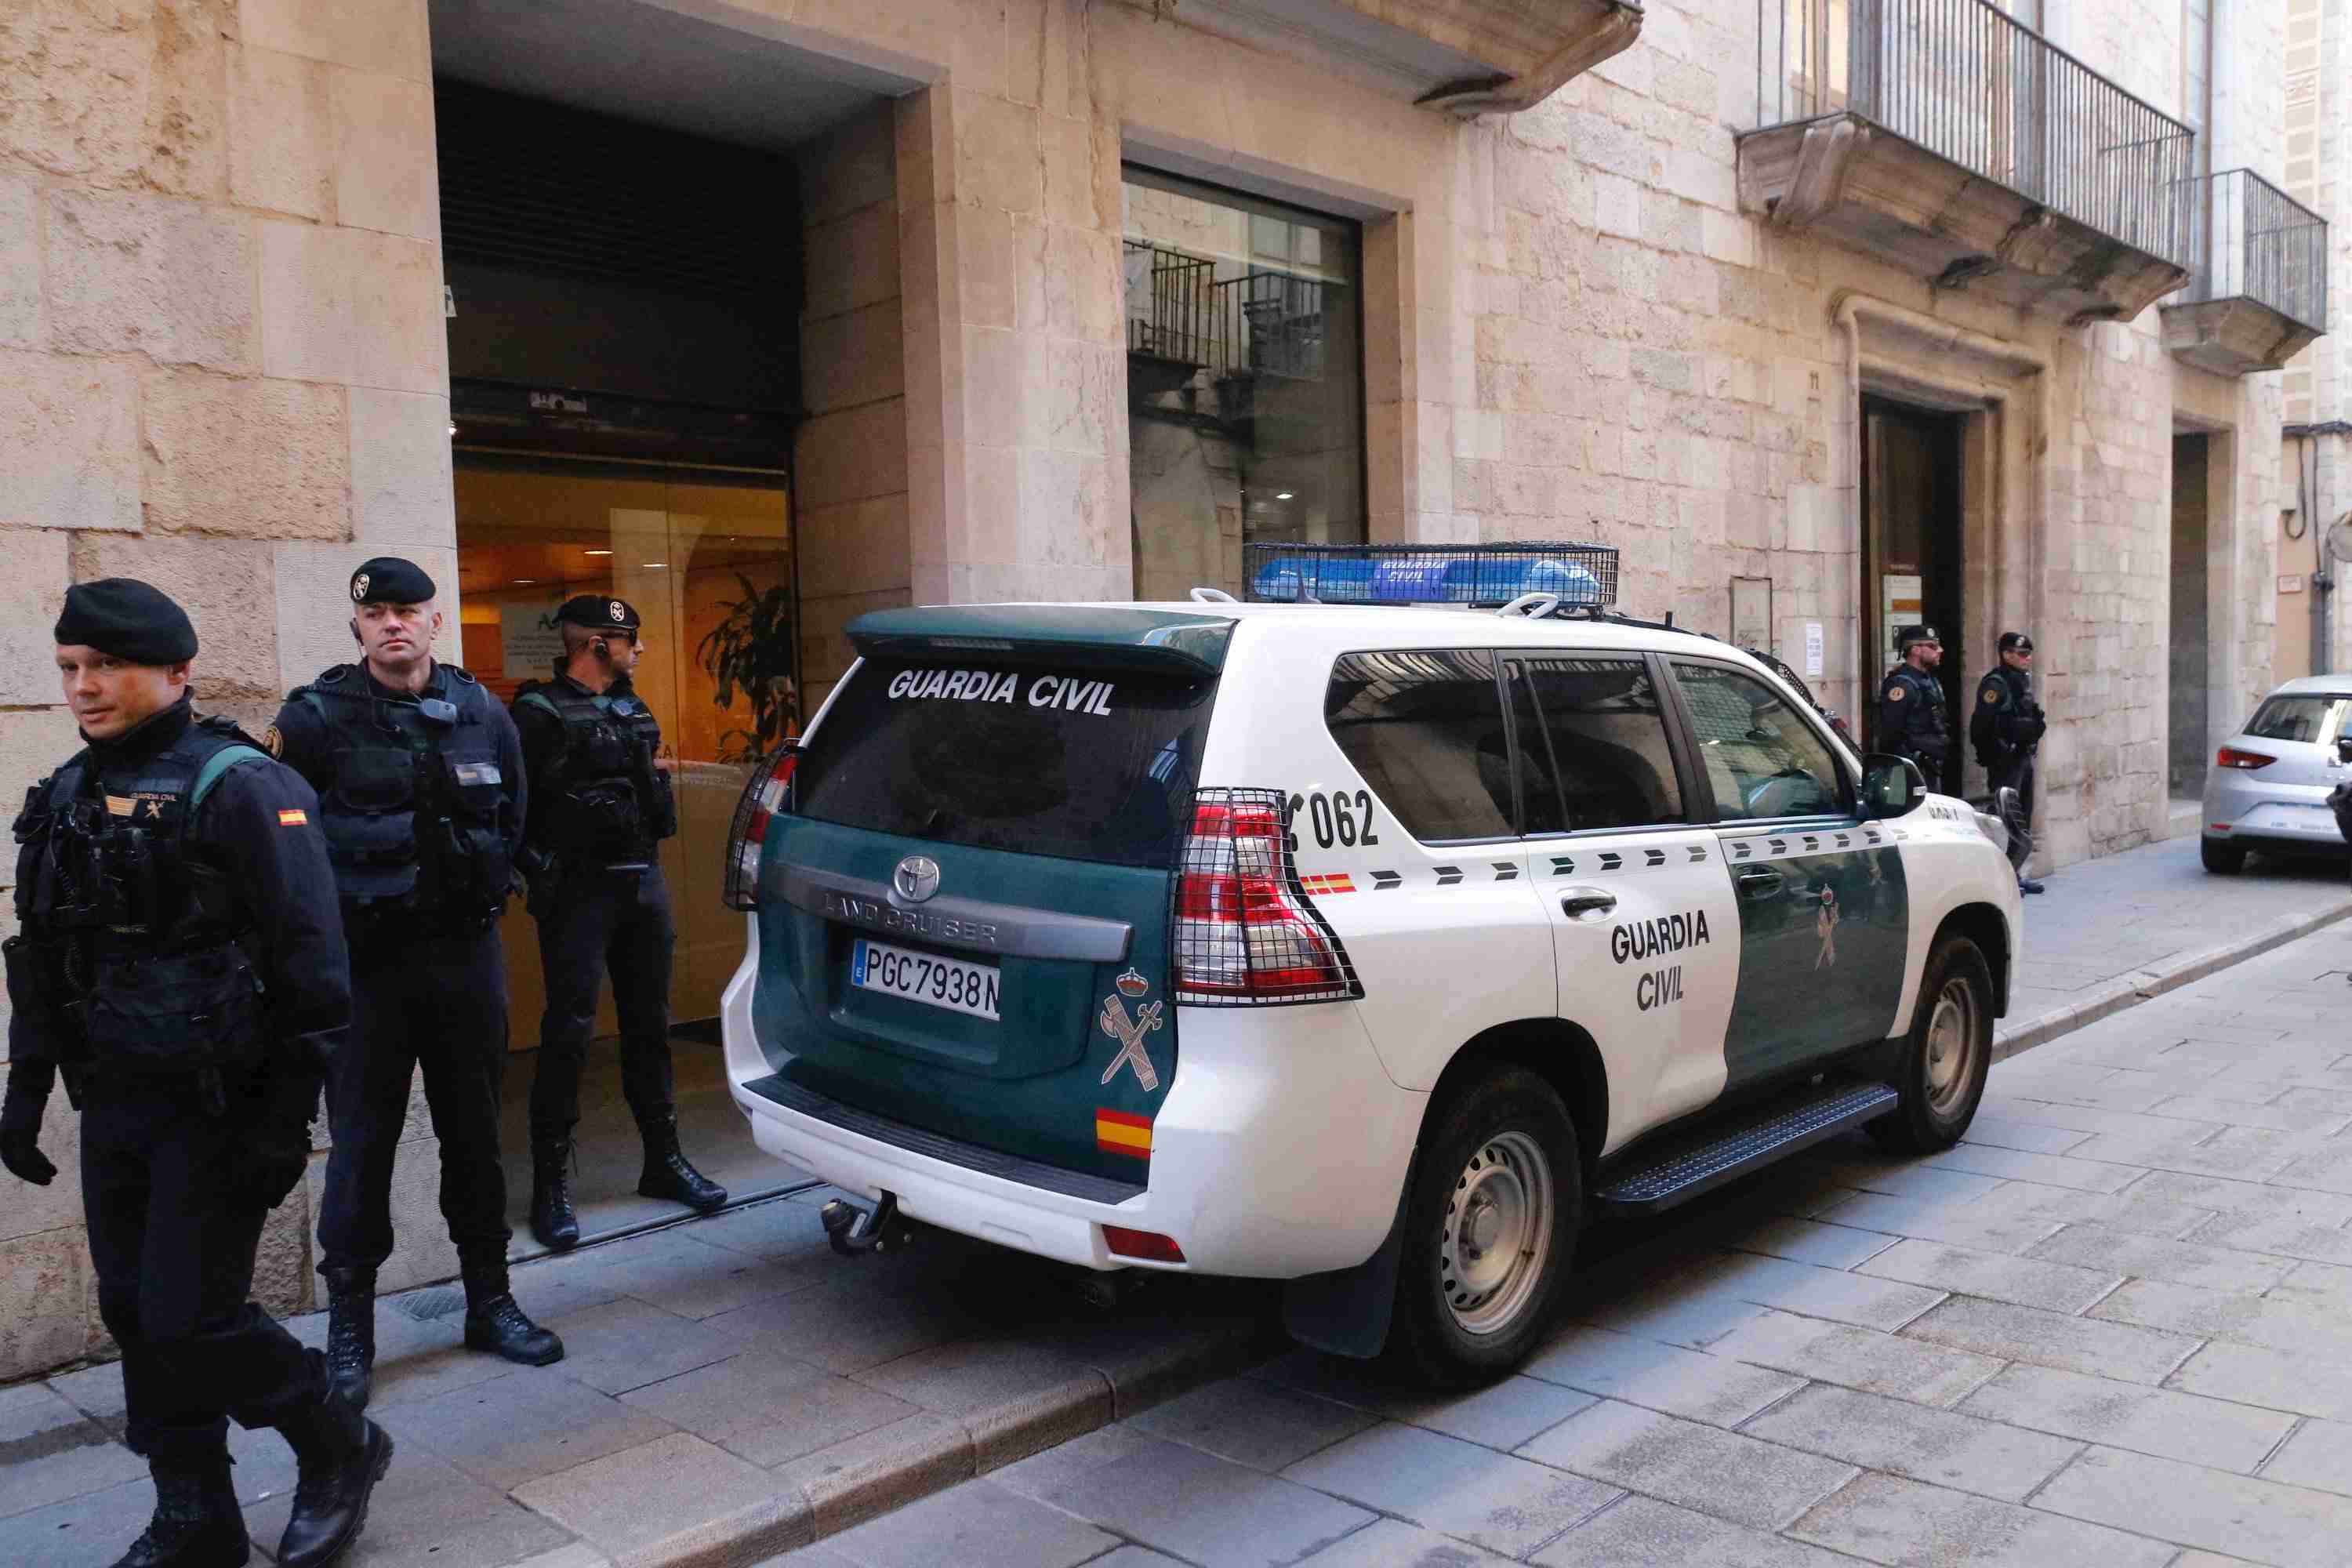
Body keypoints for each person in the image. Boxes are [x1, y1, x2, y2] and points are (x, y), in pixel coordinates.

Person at [3, 579, 389, 1568]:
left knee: (193, 1312)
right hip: (120, 1098)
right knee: (136, 1308)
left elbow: (315, 972)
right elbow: (46, 955)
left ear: (175, 671)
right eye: (71, 669)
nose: (84, 687)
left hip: (222, 1104)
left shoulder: (241, 785)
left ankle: (338, 1440)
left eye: (105, 667)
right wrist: (28, 1085)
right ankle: (195, 1511)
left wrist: (285, 1123)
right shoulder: (67, 794)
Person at [267, 557, 561, 1411]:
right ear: (359, 626)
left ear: (437, 621)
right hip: (366, 972)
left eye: (410, 611)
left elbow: (515, 815)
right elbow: (285, 845)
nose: (395, 625)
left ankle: (490, 1300)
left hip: (464, 959)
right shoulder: (314, 718)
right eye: (379, 613)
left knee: (475, 1133)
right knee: (362, 1146)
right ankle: (349, 1329)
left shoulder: (482, 711)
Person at [510, 596, 724, 1250]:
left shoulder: (634, 706)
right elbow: (510, 811)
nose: (639, 651)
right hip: (579, 891)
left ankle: (663, 1160)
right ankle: (551, 1184)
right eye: (630, 640)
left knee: (650, 1024)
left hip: (642, 880)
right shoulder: (537, 714)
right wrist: (541, 873)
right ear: (600, 644)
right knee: (570, 1031)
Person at [1971, 630, 2049, 894]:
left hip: (2023, 757)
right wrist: (1997, 754)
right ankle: (2000, 876)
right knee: (2005, 820)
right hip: (2007, 760)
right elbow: (1983, 725)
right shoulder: (1996, 684)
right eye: (2022, 654)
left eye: (2029, 654)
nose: (2027, 659)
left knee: (2022, 816)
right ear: (2006, 654)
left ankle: (2013, 872)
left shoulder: (2019, 681)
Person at [1876, 625, 1951, 786]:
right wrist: (1912, 759)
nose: (1940, 650)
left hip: (1931, 765)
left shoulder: (1929, 679)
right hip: (1912, 769)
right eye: (1933, 646)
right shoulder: (1902, 684)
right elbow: (1891, 734)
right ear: (1915, 650)